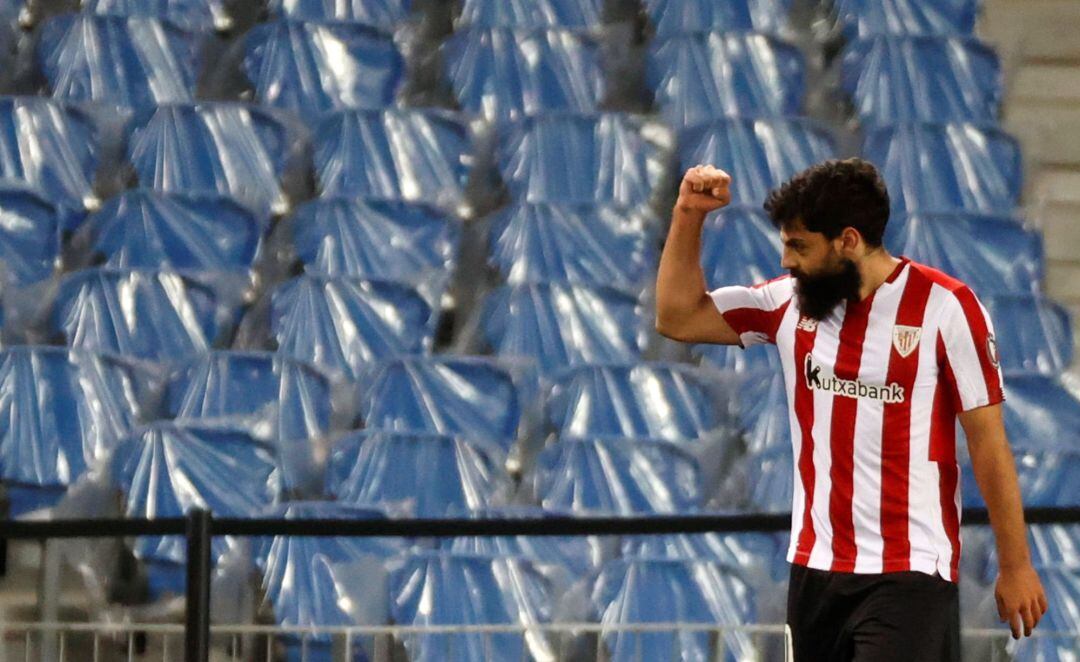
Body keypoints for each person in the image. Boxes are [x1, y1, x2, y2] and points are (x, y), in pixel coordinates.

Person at [655, 159, 1049, 661]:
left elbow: (988, 440)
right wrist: (688, 213)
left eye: (799, 246)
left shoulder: (946, 308)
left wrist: (1015, 565)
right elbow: (677, 316)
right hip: (814, 569)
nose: (786, 262)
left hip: (910, 570)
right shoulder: (788, 304)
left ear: (847, 241)